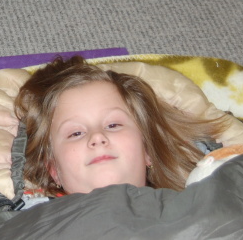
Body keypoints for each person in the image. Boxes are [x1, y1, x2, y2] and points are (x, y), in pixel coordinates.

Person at [14, 56, 229, 196]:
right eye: (76, 133)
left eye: (113, 124)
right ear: (54, 170)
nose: (97, 137)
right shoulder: (32, 223)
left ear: (147, 150)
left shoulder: (200, 203)